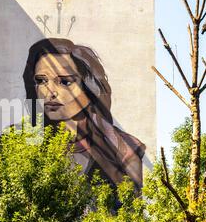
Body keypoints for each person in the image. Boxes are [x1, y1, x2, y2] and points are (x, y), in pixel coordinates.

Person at [22, 38, 145, 188]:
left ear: (90, 87)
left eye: (65, 82)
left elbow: (130, 208)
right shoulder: (20, 143)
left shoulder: (124, 150)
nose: (50, 92)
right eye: (41, 81)